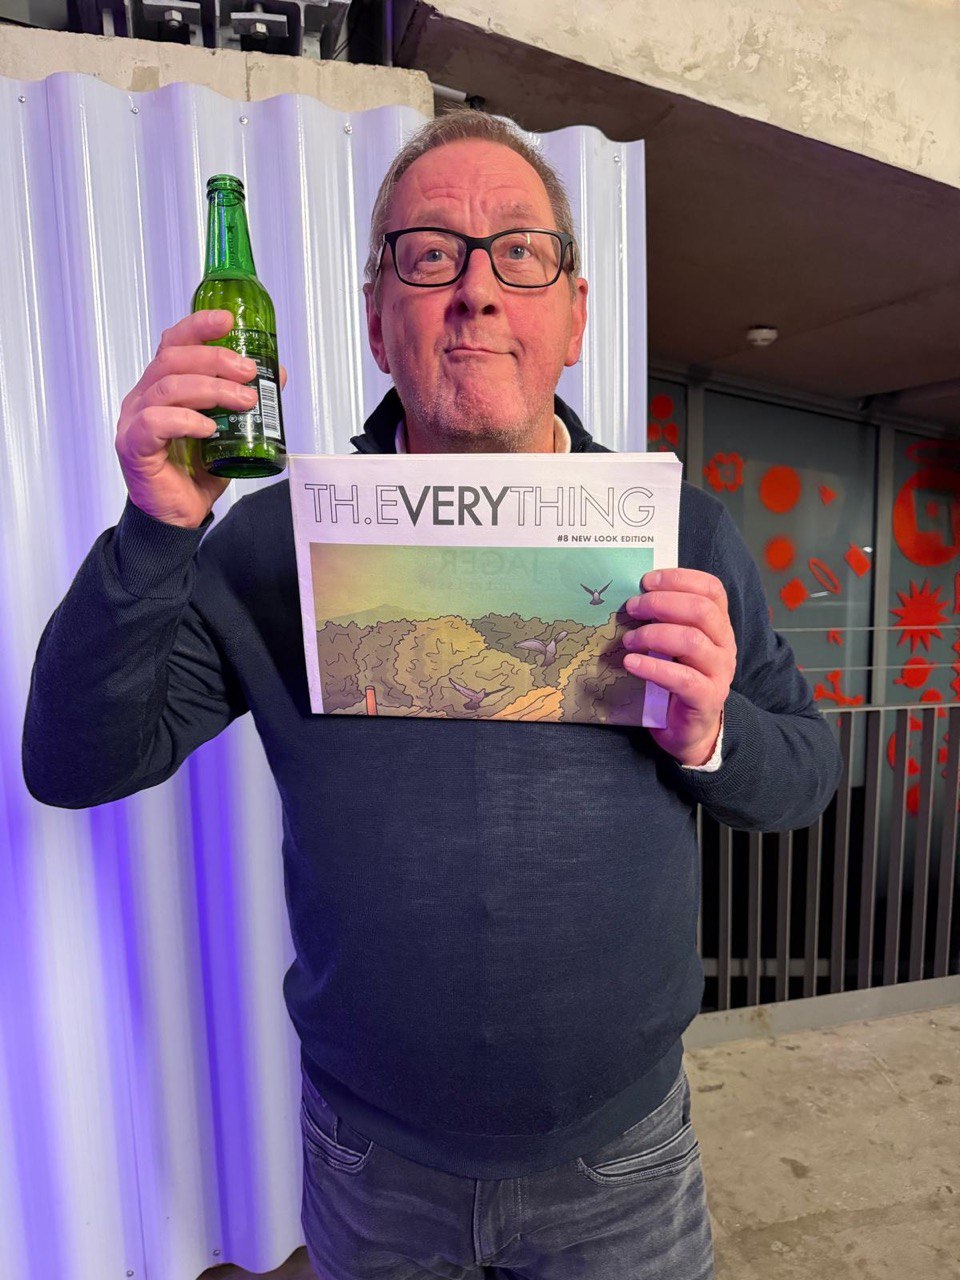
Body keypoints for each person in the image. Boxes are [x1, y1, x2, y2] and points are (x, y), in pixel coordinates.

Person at [22, 110, 842, 1280]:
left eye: (520, 251)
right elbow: (73, 761)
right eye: (430, 254)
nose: (476, 290)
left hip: (621, 1161)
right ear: (376, 319)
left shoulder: (685, 534)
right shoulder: (269, 547)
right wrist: (156, 527)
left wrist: (714, 734)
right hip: (371, 1165)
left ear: (574, 314)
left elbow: (807, 773)